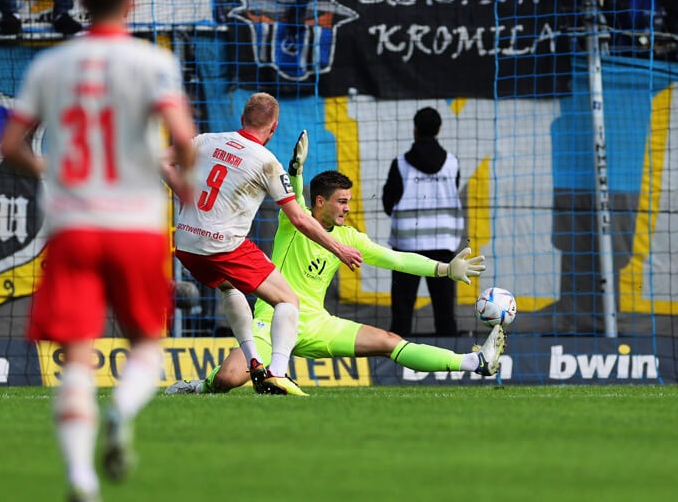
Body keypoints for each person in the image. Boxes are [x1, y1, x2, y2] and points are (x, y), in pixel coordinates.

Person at [0, 0, 197, 502]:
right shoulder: (152, 63)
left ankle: (80, 478)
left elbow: (11, 146)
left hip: (73, 225)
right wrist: (170, 174)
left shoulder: (52, 66)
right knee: (146, 345)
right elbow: (183, 142)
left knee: (77, 356)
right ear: (132, 0)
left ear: (81, 1)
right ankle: (122, 412)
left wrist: (53, 171)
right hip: (134, 226)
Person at [165, 135, 497, 395]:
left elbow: (396, 259)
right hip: (271, 321)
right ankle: (199, 387)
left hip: (317, 324)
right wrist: (296, 171)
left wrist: (444, 269)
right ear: (320, 201)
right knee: (228, 379)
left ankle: (474, 361)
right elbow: (293, 194)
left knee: (388, 340)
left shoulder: (350, 238)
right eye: (342, 201)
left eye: (349, 201)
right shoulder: (293, 221)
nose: (347, 208)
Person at [172, 93, 363, 396]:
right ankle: (278, 372)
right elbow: (299, 219)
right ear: (273, 128)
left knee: (228, 287)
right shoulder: (267, 163)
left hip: (185, 242)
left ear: (241, 120)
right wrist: (339, 249)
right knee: (288, 300)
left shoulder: (205, 140)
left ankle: (254, 361)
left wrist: (182, 191)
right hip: (223, 246)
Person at [382, 107, 463, 337]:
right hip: (443, 243)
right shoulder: (452, 163)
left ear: (415, 129)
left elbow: (389, 202)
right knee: (445, 308)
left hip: (407, 245)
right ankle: (450, 366)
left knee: (402, 309)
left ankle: (396, 364)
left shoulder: (400, 164)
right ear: (439, 130)